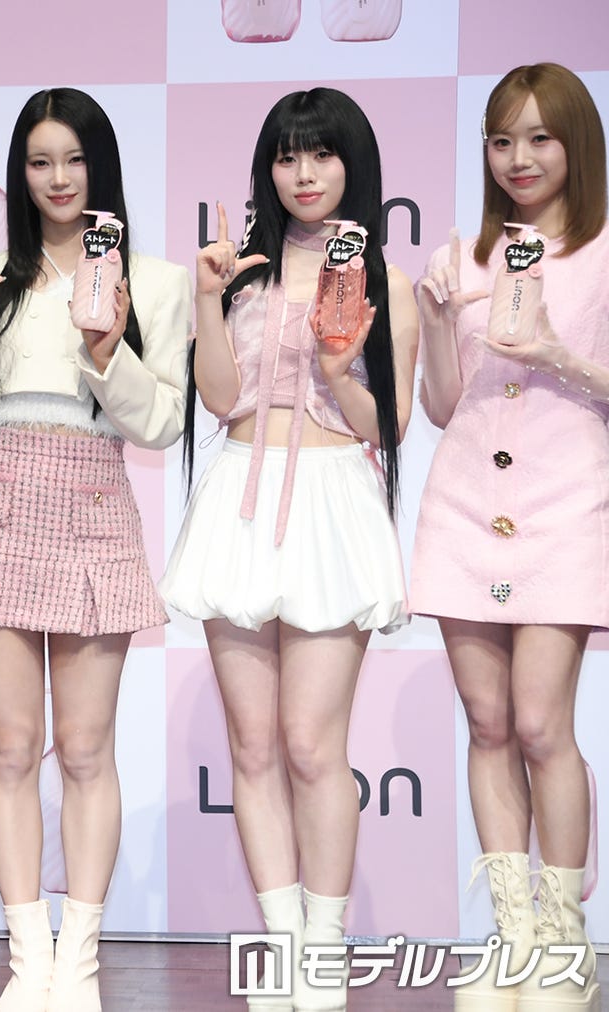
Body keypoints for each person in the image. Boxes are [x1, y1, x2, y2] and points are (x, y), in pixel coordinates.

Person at [0, 87, 190, 1012]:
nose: (59, 178)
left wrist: (108, 350)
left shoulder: (154, 282)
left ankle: (79, 960)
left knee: (83, 748)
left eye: (74, 159)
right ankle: (26, 958)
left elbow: (160, 424)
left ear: (100, 166)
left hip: (93, 507)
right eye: (40, 162)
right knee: (9, 745)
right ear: (18, 173)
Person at [158, 88, 418, 1012]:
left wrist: (342, 373)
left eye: (321, 154)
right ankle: (282, 945)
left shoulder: (382, 281)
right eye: (286, 155)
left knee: (312, 744)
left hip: (331, 501)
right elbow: (217, 397)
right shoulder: (242, 273)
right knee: (254, 745)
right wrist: (206, 295)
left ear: (354, 165)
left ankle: (327, 948)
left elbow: (385, 427)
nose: (303, 174)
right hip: (238, 493)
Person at [410, 62, 608, 1010]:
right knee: (488, 725)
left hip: (566, 508)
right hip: (463, 510)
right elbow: (443, 405)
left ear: (577, 144)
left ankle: (565, 943)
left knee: (539, 723)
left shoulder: (604, 252)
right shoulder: (467, 256)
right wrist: (433, 316)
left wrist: (560, 355)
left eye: (538, 138)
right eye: (501, 140)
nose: (518, 158)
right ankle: (512, 935)